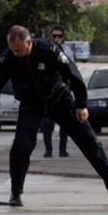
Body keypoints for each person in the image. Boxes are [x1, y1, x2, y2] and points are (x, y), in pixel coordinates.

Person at [0, 25, 108, 207]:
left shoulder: (48, 49)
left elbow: (73, 75)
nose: (16, 53)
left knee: (90, 142)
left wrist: (81, 104)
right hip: (31, 104)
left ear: (29, 42)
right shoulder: (7, 58)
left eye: (19, 49)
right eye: (13, 50)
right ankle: (16, 193)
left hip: (60, 100)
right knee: (21, 146)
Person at [41, 26, 71, 158]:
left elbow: (72, 72)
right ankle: (48, 150)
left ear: (63, 38)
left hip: (64, 91)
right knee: (47, 124)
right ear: (50, 37)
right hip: (48, 93)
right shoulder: (44, 51)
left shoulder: (68, 51)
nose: (56, 38)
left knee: (65, 124)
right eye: (54, 36)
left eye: (59, 36)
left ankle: (62, 149)